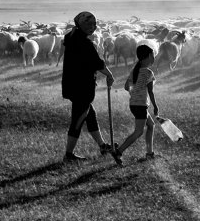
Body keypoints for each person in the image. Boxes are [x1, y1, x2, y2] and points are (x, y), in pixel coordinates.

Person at [61, 11, 115, 163]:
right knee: (78, 120)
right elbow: (97, 63)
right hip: (82, 88)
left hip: (72, 86)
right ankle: (69, 155)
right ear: (81, 25)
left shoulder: (72, 37)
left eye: (94, 24)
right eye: (89, 24)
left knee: (90, 115)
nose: (93, 27)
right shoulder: (84, 43)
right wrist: (110, 75)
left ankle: (102, 145)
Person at [113, 44, 159, 162]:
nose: (154, 58)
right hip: (141, 105)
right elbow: (150, 91)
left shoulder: (135, 71)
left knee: (151, 125)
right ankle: (119, 152)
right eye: (153, 56)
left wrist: (135, 93)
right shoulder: (148, 73)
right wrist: (155, 106)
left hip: (134, 104)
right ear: (148, 56)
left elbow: (126, 86)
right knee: (138, 131)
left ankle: (150, 153)